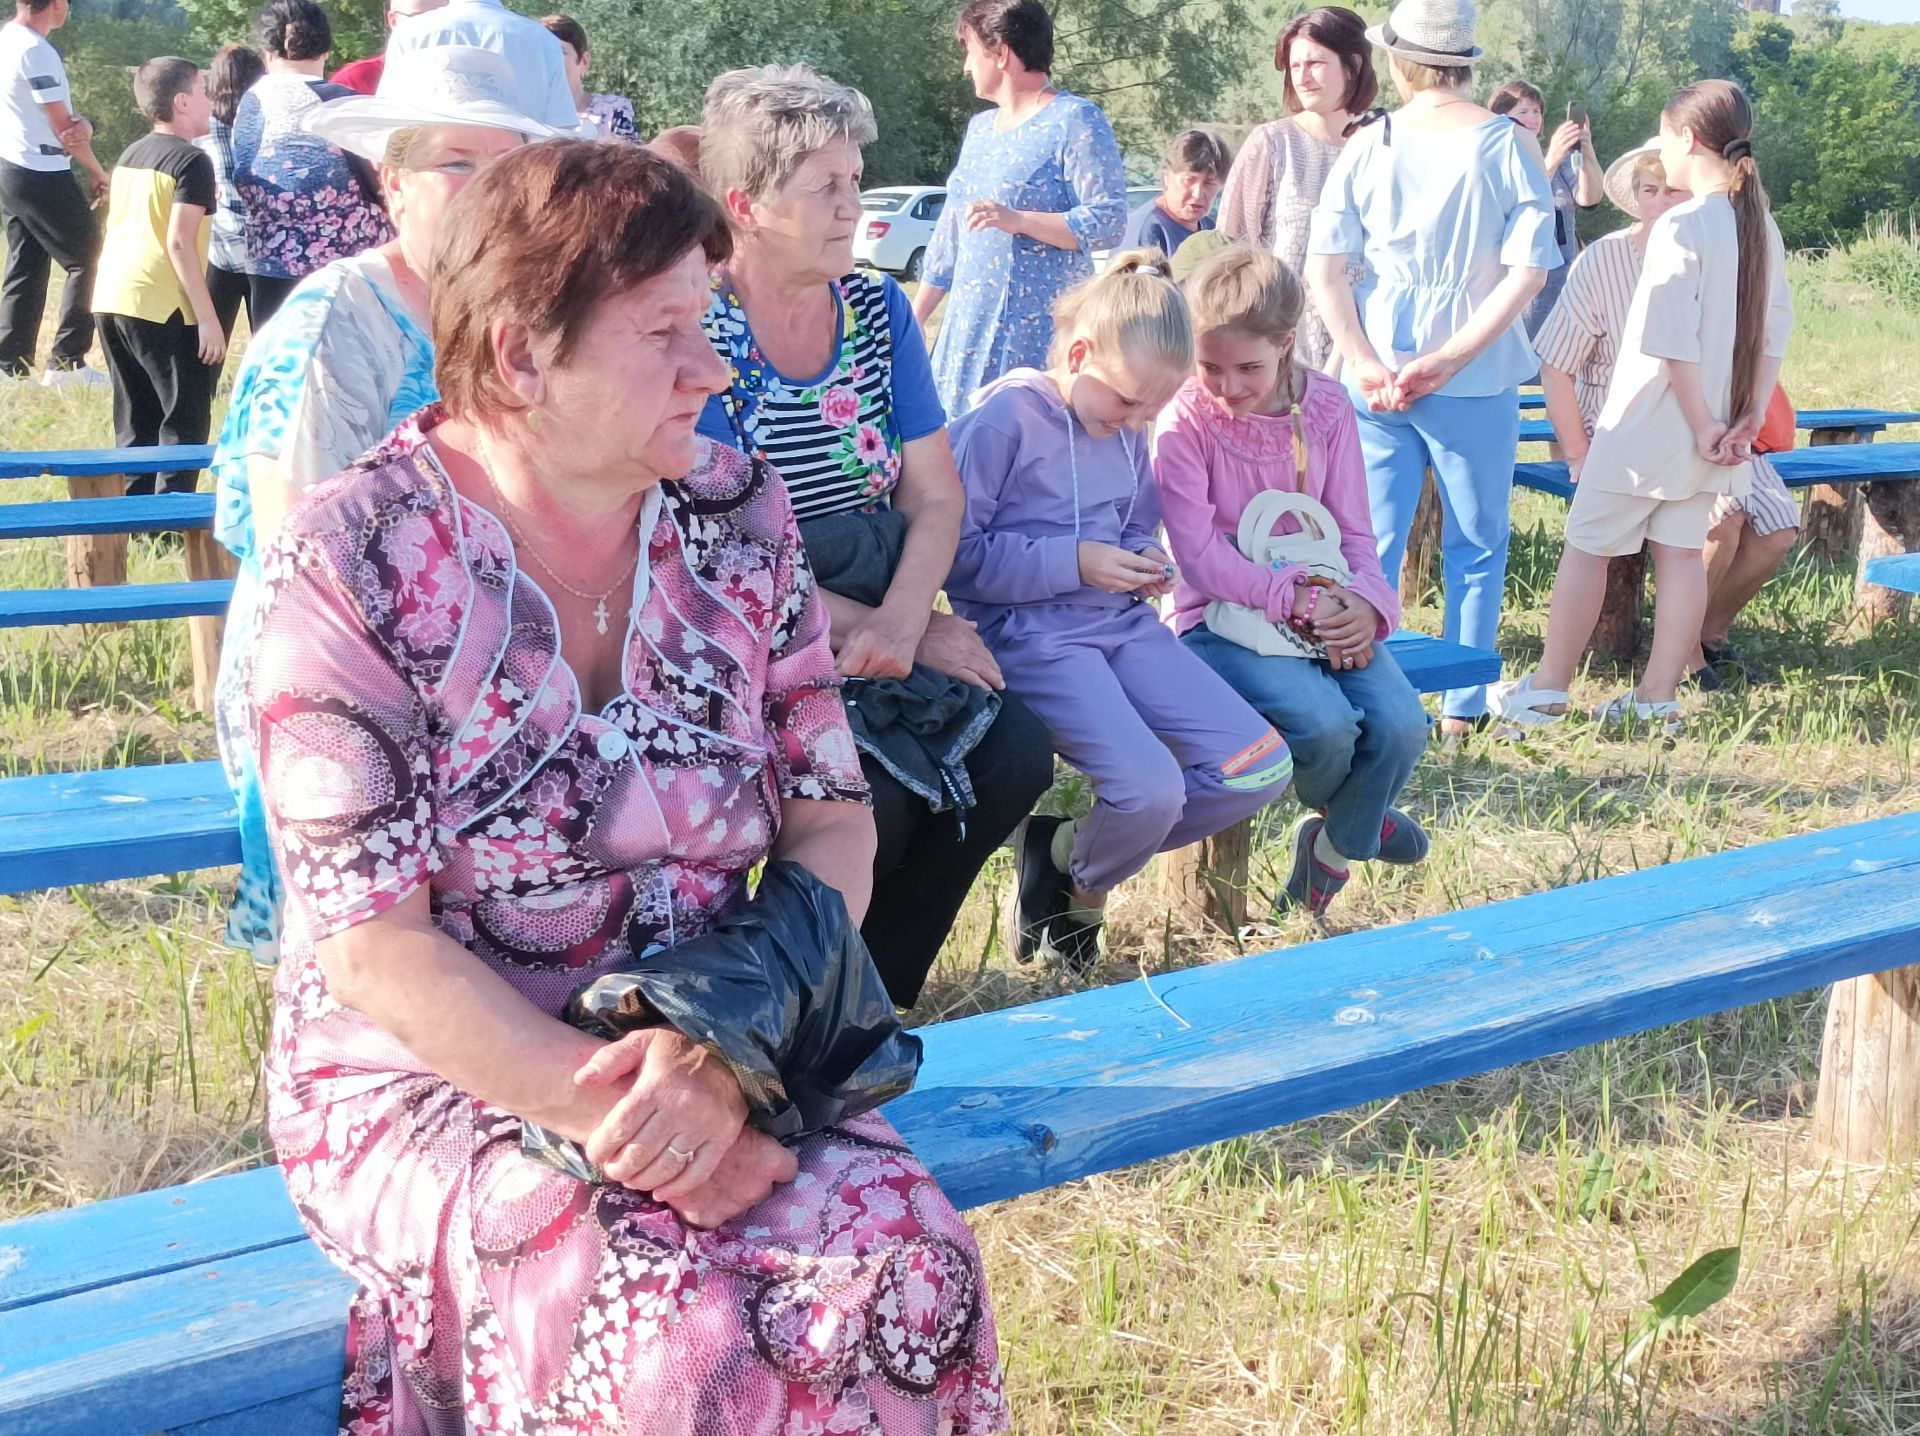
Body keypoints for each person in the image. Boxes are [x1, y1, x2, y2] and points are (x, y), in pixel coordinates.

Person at [243, 138, 1008, 1434]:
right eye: (663, 333)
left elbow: (830, 823)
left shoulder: (736, 510)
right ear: (520, 356)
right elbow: (375, 953)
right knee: (671, 1341)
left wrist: (720, 1061)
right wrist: (633, 1123)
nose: (712, 370)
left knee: (914, 1278)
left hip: (719, 1030)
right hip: (440, 1073)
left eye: (706, 323)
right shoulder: (352, 558)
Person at [696, 64, 1053, 1007]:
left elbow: (936, 495)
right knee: (870, 801)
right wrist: (890, 630)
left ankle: (880, 997)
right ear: (748, 203)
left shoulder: (876, 310)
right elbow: (715, 548)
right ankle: (781, 1004)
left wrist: (905, 619)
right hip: (746, 628)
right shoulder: (695, 326)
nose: (854, 206)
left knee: (1014, 750)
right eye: (828, 187)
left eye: (856, 181)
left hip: (880, 605)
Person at [210, 44, 556, 964]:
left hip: (508, 664)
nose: (488, 193)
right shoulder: (336, 324)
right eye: (457, 163)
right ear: (391, 180)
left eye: (512, 167)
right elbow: (302, 564)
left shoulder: (528, 321)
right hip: (343, 682)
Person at [949, 252, 1293, 969]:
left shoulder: (1128, 427)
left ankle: (1068, 856)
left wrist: (1145, 559)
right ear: (1080, 355)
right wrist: (1073, 562)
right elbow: (954, 555)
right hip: (1033, 638)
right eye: (1128, 402)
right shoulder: (1004, 418)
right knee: (1147, 791)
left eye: (1151, 411)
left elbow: (1137, 517)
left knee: (1259, 766)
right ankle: (1083, 897)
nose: (1135, 423)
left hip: (1120, 623)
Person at [1489, 80, 1793, 737]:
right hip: (1717, 426)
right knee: (1681, 553)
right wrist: (1740, 420)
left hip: (1648, 421)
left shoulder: (1683, 224)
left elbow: (1665, 337)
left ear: (1685, 140)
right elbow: (1774, 334)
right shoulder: (1758, 222)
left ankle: (1545, 692)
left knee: (1586, 548)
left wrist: (1709, 422)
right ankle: (1657, 700)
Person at [1305, 0, 1559, 736]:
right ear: (1464, 63)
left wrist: (1363, 361)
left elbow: (1325, 270)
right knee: (1476, 543)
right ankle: (1463, 709)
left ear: (1397, 60)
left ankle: (1370, 695)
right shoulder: (1508, 144)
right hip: (1473, 371)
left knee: (1369, 543)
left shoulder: (1368, 142)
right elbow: (1528, 273)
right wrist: (1447, 360)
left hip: (1375, 369)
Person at [1155, 247, 1429, 917]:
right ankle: (1358, 820)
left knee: (1401, 724)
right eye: (1209, 365)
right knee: (1324, 726)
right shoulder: (1186, 416)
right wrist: (1292, 599)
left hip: (1320, 609)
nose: (1228, 385)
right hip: (1215, 621)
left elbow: (1356, 532)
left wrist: (1367, 607)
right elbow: (1195, 555)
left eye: (1248, 367)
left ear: (1286, 344)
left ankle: (1334, 845)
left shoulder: (1327, 407)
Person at [912, 0, 1126, 419]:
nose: (965, 66)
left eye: (971, 51)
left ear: (1002, 53)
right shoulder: (979, 131)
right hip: (966, 332)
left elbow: (1109, 220)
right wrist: (917, 317)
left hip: (1037, 337)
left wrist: (1020, 221)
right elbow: (949, 236)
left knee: (1022, 453)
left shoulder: (1075, 119)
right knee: (954, 451)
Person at [1215, 5, 1376, 371]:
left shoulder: (1382, 146)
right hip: (1279, 359)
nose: (1302, 77)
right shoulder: (1272, 143)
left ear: (1352, 65)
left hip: (1367, 362)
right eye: (1295, 66)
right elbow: (1227, 254)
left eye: (1316, 63)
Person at [90, 57, 223, 498]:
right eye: (204, 92)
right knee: (184, 417)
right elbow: (180, 243)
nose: (210, 101)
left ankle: (135, 513)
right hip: (161, 303)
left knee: (136, 415)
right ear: (182, 101)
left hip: (112, 296)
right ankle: (170, 520)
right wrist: (208, 318)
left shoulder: (131, 153)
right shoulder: (193, 162)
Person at [232, 0, 393, 325]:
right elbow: (384, 185)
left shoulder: (250, 104)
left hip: (269, 267)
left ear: (267, 52)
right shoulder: (344, 104)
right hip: (346, 271)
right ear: (324, 50)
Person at [0, 0, 106, 386]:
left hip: (10, 166)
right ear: (57, 4)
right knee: (91, 257)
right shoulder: (35, 51)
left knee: (25, 263)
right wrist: (97, 169)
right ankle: (67, 363)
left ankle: (11, 364)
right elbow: (67, 130)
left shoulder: (7, 38)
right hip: (41, 169)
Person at [1488, 80, 1601, 338]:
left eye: (1536, 112)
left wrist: (1586, 151)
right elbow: (1517, 199)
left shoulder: (1560, 161)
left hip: (1562, 284)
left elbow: (1589, 198)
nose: (1532, 119)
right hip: (1517, 289)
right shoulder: (1495, 162)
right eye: (1522, 112)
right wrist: (1551, 159)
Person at [386, 0, 582, 133]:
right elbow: (560, 129)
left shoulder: (410, 33)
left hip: (431, 175)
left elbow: (388, 122)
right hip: (518, 178)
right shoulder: (542, 40)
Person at [195, 42, 265, 359]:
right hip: (261, 254)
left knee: (208, 350)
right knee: (267, 349)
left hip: (219, 249)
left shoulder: (202, 130)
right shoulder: (262, 127)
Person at [1120, 129, 1227, 257]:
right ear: (1167, 177)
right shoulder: (1148, 231)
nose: (1197, 194)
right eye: (1188, 180)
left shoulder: (1210, 229)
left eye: (1209, 183)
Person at [539, 13, 636, 139]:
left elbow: (630, 158)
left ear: (584, 61)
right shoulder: (525, 116)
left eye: (558, 52)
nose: (548, 61)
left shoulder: (613, 111)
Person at [329, 0, 448, 95]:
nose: (433, 25)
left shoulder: (462, 76)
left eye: (442, 15)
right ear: (394, 21)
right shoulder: (354, 81)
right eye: (419, 17)